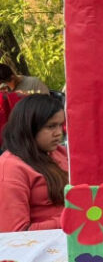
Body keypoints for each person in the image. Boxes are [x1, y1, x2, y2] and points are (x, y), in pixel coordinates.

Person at [0, 94, 67, 231]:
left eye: (60, 125)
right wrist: (70, 220)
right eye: (51, 126)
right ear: (28, 127)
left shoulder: (59, 152)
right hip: (41, 246)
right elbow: (15, 231)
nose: (59, 133)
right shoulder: (11, 168)